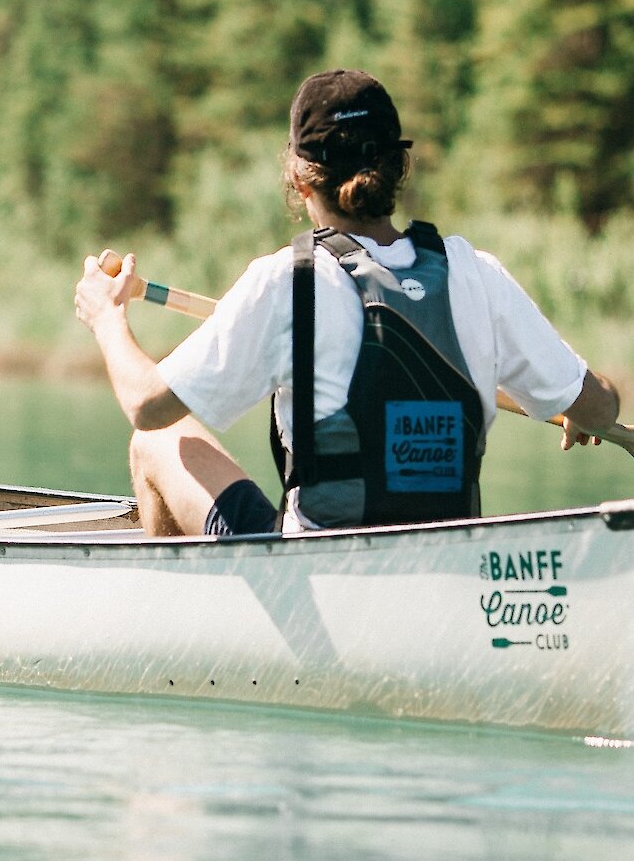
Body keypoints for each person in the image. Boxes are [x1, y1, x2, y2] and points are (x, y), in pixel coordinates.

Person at [73, 69, 623, 537]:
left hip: (315, 575)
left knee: (156, 440)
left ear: (299, 178)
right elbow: (602, 407)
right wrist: (571, 400)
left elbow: (148, 405)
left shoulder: (286, 281)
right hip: (444, 565)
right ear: (398, 168)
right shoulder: (475, 273)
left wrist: (106, 317)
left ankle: (200, 633)